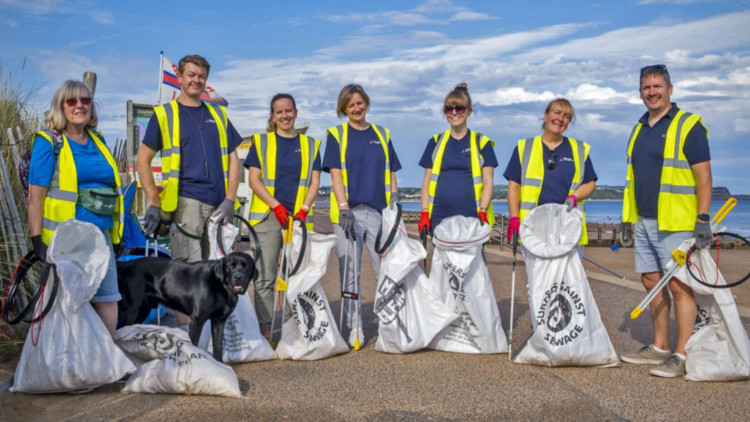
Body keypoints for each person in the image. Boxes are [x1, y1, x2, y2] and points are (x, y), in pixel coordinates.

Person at [136, 54, 242, 332]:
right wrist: (153, 203)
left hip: (218, 203)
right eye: (191, 75)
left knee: (219, 271)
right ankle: (190, 344)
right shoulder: (164, 114)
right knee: (189, 274)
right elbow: (142, 160)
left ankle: (214, 339)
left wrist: (230, 198)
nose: (196, 80)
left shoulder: (218, 114)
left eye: (202, 76)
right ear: (180, 77)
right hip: (185, 204)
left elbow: (233, 158)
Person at [619, 64, 712, 378]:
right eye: (646, 87)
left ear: (670, 89)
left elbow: (703, 176)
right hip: (643, 219)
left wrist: (703, 219)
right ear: (640, 92)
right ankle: (659, 346)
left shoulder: (689, 125)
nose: (652, 92)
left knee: (679, 285)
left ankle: (681, 353)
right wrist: (626, 222)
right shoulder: (639, 128)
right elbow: (634, 179)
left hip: (676, 222)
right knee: (650, 281)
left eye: (657, 86)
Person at [28, 80, 123, 337]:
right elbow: (36, 195)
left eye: (85, 100)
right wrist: (37, 238)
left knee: (107, 299)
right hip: (66, 238)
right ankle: (68, 366)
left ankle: (104, 365)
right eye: (72, 101)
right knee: (68, 303)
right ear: (61, 106)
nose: (79, 105)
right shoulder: (49, 142)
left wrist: (117, 234)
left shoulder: (98, 139)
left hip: (100, 236)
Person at [322, 83, 402, 347]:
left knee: (386, 269)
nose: (356, 108)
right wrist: (343, 206)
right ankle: (354, 326)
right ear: (344, 108)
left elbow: (391, 172)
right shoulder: (336, 134)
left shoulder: (381, 133)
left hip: (378, 212)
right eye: (350, 105)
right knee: (350, 272)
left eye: (360, 103)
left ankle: (392, 324)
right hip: (349, 214)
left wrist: (395, 202)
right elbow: (335, 173)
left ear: (366, 103)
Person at [244, 93, 321, 340]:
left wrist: (304, 209)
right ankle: (267, 331)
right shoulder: (261, 142)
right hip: (267, 216)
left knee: (296, 275)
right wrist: (276, 206)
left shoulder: (311, 145)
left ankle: (293, 327)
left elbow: (314, 183)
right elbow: (254, 180)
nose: (285, 116)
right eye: (279, 112)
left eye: (289, 111)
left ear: (296, 112)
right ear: (273, 116)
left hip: (297, 219)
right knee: (266, 277)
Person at [504, 98, 597, 250]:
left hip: (568, 227)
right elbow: (514, 187)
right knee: (537, 274)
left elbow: (590, 182)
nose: (560, 119)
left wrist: (575, 196)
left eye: (566, 116)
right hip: (533, 226)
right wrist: (514, 219)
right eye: (556, 113)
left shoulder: (579, 149)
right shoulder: (524, 148)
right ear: (546, 115)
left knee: (569, 274)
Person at [418, 83, 497, 234]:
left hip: (473, 218)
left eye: (459, 108)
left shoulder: (482, 142)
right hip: (439, 217)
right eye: (449, 108)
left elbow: (488, 181)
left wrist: (483, 211)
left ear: (469, 111)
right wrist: (424, 212)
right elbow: (426, 181)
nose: (454, 113)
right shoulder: (435, 142)